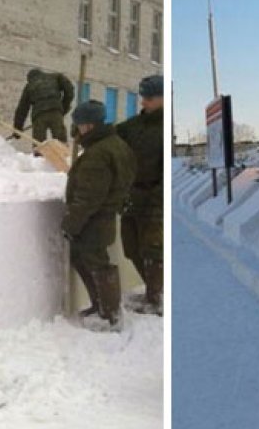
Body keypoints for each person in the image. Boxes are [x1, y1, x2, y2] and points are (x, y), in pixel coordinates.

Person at [62, 100, 136, 331]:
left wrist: (71, 224)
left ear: (89, 125)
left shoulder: (98, 154)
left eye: (80, 125)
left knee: (97, 263)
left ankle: (110, 316)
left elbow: (88, 196)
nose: (77, 129)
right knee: (89, 260)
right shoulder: (116, 145)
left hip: (94, 220)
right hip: (104, 216)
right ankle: (102, 307)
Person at [117, 75, 164, 315]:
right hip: (132, 196)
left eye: (149, 97)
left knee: (153, 249)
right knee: (132, 248)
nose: (144, 102)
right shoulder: (134, 125)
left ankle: (157, 297)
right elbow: (112, 136)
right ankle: (154, 290)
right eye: (142, 96)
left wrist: (157, 200)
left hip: (155, 199)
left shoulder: (164, 128)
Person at [12, 69, 75, 145]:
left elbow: (22, 109)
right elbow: (69, 90)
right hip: (55, 112)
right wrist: (63, 107)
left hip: (39, 116)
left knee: (39, 145)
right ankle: (63, 156)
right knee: (61, 143)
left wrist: (17, 129)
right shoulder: (55, 77)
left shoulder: (29, 86)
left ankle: (39, 155)